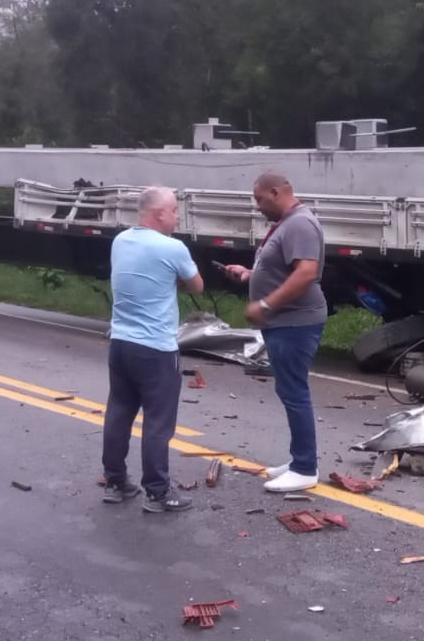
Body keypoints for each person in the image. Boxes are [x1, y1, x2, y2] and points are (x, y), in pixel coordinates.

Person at [223, 172, 328, 493]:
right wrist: (250, 274)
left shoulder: (299, 224)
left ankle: (306, 469)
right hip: (285, 322)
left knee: (294, 392)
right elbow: (282, 268)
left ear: (276, 192)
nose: (257, 206)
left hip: (296, 321)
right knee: (288, 390)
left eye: (259, 199)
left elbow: (306, 273)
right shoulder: (287, 223)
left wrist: (266, 305)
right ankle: (299, 460)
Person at [102, 187, 204, 514]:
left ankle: (116, 482)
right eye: (174, 210)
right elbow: (197, 285)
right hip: (156, 348)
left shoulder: (121, 241)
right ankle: (158, 493)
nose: (178, 216)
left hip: (120, 344)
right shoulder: (172, 248)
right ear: (159, 213)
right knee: (158, 423)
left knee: (119, 412)